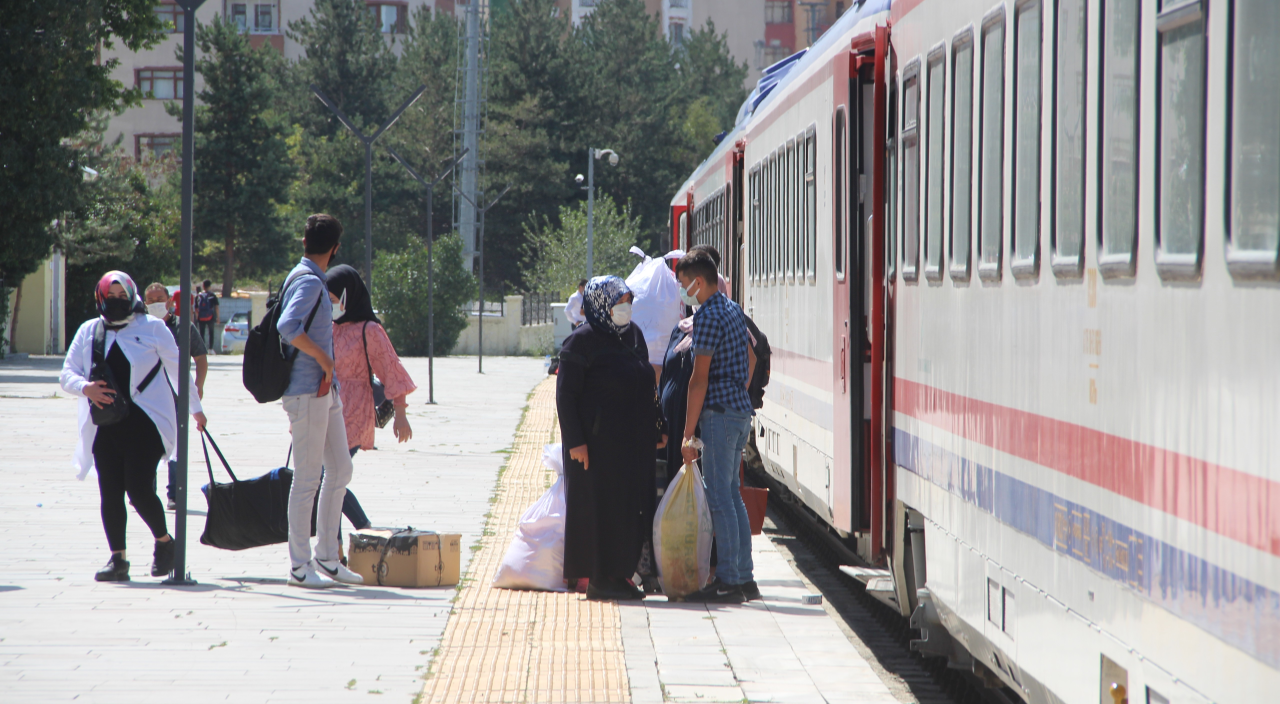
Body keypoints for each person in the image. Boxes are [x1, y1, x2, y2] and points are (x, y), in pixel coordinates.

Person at [60, 271, 208, 582]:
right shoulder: (89, 331)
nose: (116, 302)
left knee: (139, 489)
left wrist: (196, 410)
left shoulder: (153, 329)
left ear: (132, 296)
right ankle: (118, 560)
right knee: (110, 491)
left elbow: (179, 369)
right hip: (105, 423)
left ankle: (165, 542)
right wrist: (86, 388)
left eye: (122, 297)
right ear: (100, 298)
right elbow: (67, 373)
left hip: (147, 422)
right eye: (110, 297)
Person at [557, 276, 666, 601]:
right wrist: (576, 441)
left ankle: (621, 574)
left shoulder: (632, 335)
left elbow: (647, 383)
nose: (625, 309)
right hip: (596, 446)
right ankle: (600, 577)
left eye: (627, 302)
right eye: (619, 303)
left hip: (633, 444)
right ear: (601, 305)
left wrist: (657, 427)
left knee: (630, 508)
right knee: (600, 509)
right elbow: (566, 396)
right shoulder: (581, 341)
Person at [276, 214, 363, 588]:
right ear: (336, 248)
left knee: (340, 470)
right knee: (308, 478)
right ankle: (300, 565)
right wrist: (324, 359)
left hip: (326, 392)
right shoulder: (309, 281)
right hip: (307, 392)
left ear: (304, 241)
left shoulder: (306, 277)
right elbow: (286, 326)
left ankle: (328, 557)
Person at [676, 251, 759, 604]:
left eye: (684, 284)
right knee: (731, 494)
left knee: (720, 498)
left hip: (720, 414)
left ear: (698, 281)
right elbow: (752, 357)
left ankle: (728, 580)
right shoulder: (731, 307)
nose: (683, 292)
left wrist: (687, 433)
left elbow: (698, 381)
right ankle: (743, 577)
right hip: (739, 410)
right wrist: (737, 389)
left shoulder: (708, 316)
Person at [326, 264, 417, 534]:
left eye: (332, 299)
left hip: (354, 411)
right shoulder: (329, 327)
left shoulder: (370, 330)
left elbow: (391, 370)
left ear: (347, 296)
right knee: (329, 480)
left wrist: (400, 414)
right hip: (326, 407)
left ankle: (354, 534)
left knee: (329, 478)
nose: (329, 305)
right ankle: (343, 543)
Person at [144, 282, 209, 510]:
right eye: (150, 301)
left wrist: (197, 388)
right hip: (148, 399)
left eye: (159, 299)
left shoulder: (184, 327)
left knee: (177, 446)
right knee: (148, 445)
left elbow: (201, 358)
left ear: (170, 301)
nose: (155, 304)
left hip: (177, 397)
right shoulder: (141, 328)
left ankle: (175, 494)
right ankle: (145, 492)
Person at [195, 279, 220, 353]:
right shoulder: (212, 295)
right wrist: (218, 317)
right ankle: (211, 349)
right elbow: (216, 307)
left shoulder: (198, 296)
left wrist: (197, 318)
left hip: (201, 317)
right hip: (210, 316)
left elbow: (196, 308)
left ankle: (202, 349)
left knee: (202, 333)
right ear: (209, 286)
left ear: (203, 286)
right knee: (211, 332)